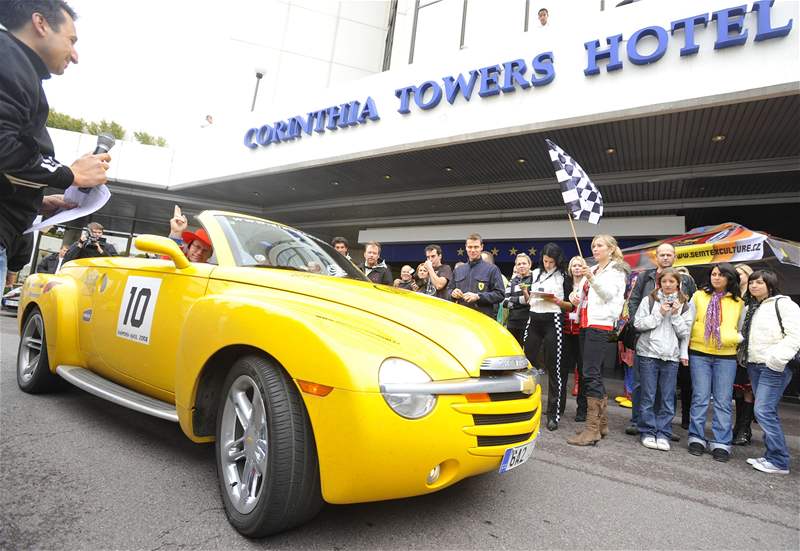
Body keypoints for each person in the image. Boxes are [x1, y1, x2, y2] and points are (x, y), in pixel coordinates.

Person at [0, 1, 110, 287]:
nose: (75, 56)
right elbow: (3, 146)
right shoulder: (8, 59)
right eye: (71, 40)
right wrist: (70, 174)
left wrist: (37, 201)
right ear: (41, 24)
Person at [626, 243, 697, 436]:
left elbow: (688, 315)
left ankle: (663, 427)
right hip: (646, 340)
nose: (665, 257)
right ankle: (639, 421)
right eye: (662, 254)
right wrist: (636, 324)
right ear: (656, 257)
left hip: (671, 346)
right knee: (642, 385)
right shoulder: (644, 276)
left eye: (669, 254)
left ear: (674, 257)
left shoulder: (686, 280)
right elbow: (634, 301)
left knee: (667, 390)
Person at [567, 235, 629, 446]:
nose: (595, 249)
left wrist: (591, 279)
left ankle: (592, 429)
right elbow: (578, 295)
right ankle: (601, 424)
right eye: (593, 246)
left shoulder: (616, 271)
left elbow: (608, 295)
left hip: (600, 325)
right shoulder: (592, 269)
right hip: (584, 324)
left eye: (599, 245)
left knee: (590, 374)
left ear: (611, 249)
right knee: (589, 373)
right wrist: (574, 297)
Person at [739, 270, 800, 475]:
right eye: (752, 282)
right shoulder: (751, 307)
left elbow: (794, 336)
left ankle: (779, 460)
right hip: (755, 364)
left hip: (774, 366)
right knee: (767, 411)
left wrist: (776, 360)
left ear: (770, 284)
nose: (754, 286)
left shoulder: (783, 304)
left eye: (759, 282)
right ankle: (771, 455)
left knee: (763, 410)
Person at [686, 263, 744, 462]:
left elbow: (742, 328)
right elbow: (689, 322)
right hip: (699, 352)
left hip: (726, 355)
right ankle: (696, 437)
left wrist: (733, 338)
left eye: (721, 275)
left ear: (730, 278)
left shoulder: (738, 302)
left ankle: (721, 442)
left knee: (723, 400)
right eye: (714, 274)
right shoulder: (699, 296)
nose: (716, 278)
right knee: (700, 397)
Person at [633, 268, 694, 451]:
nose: (668, 285)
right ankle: (648, 431)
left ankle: (664, 432)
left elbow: (685, 333)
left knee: (668, 398)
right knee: (648, 395)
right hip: (648, 354)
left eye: (672, 282)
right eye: (664, 282)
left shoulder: (684, 304)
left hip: (671, 356)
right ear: (659, 283)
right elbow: (638, 324)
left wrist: (675, 314)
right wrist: (658, 313)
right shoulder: (649, 300)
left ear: (678, 284)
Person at [521, 243, 573, 431]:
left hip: (553, 320)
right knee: (526, 364)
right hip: (534, 318)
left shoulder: (564, 276)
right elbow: (527, 300)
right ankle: (525, 406)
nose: (548, 264)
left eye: (552, 262)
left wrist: (557, 301)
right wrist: (527, 293)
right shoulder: (535, 273)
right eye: (545, 261)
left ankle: (553, 413)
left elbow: (571, 305)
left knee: (554, 367)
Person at [448, 233, 504, 318]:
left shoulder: (492, 269)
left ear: (481, 247)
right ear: (466, 247)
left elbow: (500, 294)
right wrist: (452, 293)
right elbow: (448, 290)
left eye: (476, 247)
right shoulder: (458, 270)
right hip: (461, 317)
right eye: (470, 247)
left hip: (483, 318)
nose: (472, 250)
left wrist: (478, 296)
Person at [732, 263, 755, 445]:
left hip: (749, 348)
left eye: (741, 273)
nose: (738, 276)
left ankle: (745, 429)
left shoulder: (753, 296)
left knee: (748, 389)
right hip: (733, 347)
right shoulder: (732, 293)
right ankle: (737, 425)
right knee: (738, 390)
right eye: (735, 273)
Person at [565, 256, 586, 421]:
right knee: (563, 369)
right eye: (574, 266)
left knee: (583, 371)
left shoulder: (588, 284)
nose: (577, 268)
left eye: (580, 265)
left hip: (582, 331)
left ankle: (582, 410)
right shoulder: (565, 284)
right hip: (565, 330)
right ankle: (559, 407)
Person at [504, 253, 533, 346]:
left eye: (524, 263)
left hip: (528, 321)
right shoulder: (512, 281)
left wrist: (513, 300)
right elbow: (504, 302)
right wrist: (521, 301)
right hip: (512, 322)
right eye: (519, 264)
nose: (521, 266)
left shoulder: (535, 280)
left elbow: (531, 301)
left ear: (530, 264)